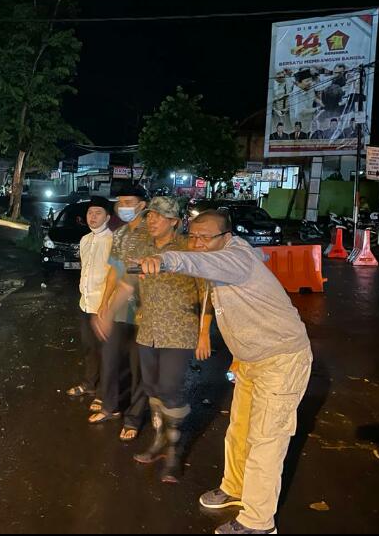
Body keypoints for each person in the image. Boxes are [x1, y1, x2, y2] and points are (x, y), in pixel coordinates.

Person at [135, 210, 312, 535]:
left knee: (265, 441)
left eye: (206, 237)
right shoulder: (225, 260)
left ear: (226, 237)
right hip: (250, 360)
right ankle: (236, 488)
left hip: (282, 360)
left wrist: (165, 260)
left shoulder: (236, 258)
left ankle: (259, 523)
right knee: (240, 430)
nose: (199, 244)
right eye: (194, 236)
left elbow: (201, 264)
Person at [95, 196, 212, 483]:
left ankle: (174, 448)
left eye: (159, 216)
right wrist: (108, 311)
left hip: (180, 330)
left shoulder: (188, 247)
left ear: (174, 221)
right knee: (152, 388)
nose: (152, 220)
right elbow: (128, 283)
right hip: (148, 329)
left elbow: (207, 291)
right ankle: (159, 441)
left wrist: (204, 332)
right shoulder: (144, 247)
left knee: (170, 388)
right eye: (149, 216)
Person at [88, 184, 150, 441]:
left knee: (139, 368)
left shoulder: (152, 233)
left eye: (129, 202)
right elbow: (114, 270)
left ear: (142, 205)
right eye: (120, 202)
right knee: (110, 359)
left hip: (145, 312)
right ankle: (109, 407)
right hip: (120, 309)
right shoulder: (121, 233)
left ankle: (134, 419)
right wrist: (104, 303)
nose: (123, 206)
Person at [66, 196, 114, 407]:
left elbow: (115, 275)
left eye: (98, 213)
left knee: (105, 351)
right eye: (90, 213)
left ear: (108, 217)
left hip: (104, 306)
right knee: (88, 348)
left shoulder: (113, 241)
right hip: (85, 304)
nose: (92, 217)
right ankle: (90, 384)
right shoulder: (85, 240)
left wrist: (107, 305)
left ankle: (104, 393)